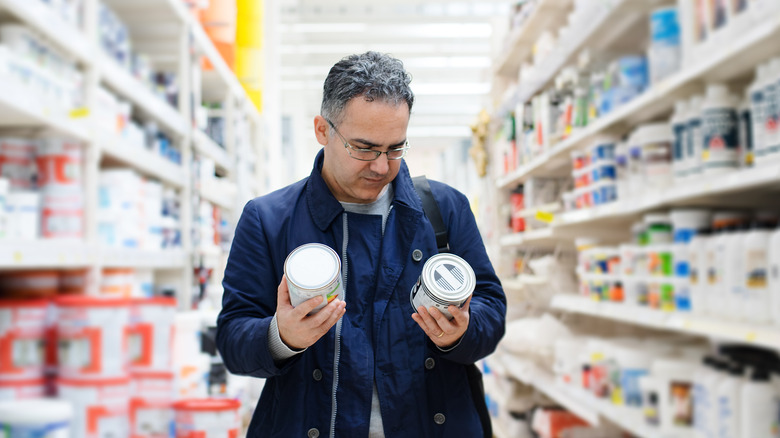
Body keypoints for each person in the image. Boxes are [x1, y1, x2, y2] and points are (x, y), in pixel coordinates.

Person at [217, 51, 506, 438]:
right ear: (322, 130)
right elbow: (233, 337)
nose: (381, 167)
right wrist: (280, 337)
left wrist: (461, 333)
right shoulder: (268, 219)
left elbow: (491, 307)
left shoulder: (444, 209)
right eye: (364, 148)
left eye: (395, 148)